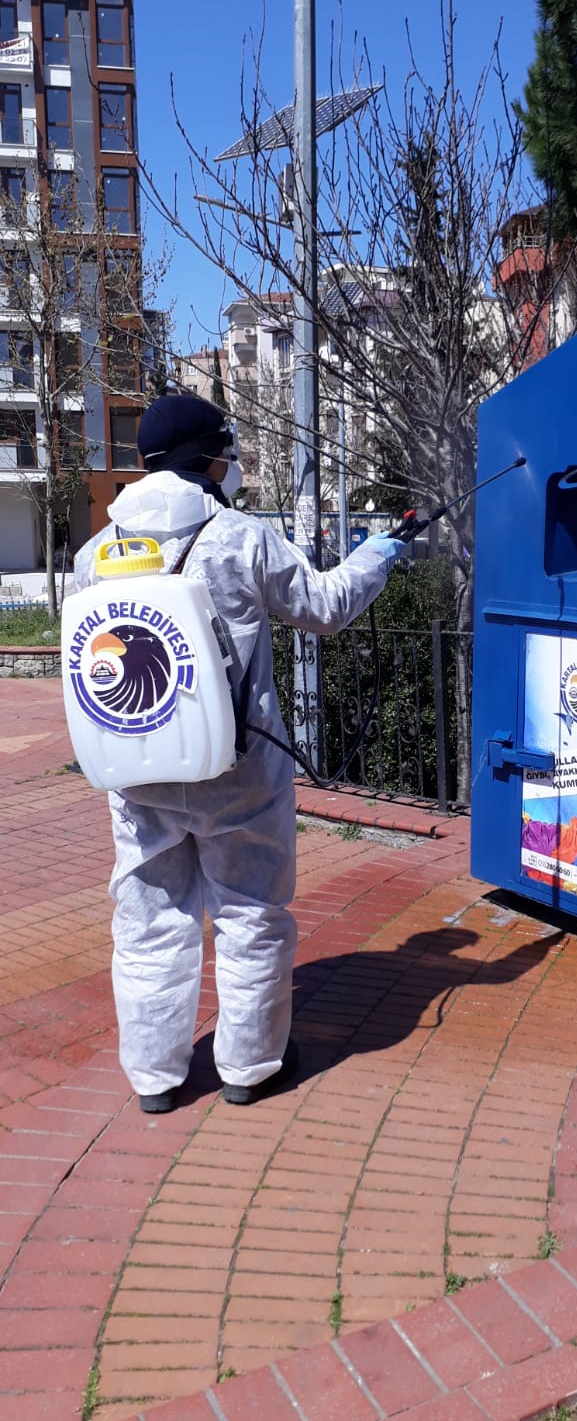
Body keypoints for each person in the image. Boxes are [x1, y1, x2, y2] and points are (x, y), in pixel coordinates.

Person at [72, 393, 406, 1114]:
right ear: (207, 458)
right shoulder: (241, 538)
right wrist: (378, 555)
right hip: (239, 770)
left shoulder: (95, 555)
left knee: (147, 920)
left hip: (138, 769)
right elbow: (325, 608)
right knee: (250, 912)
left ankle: (154, 1079)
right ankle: (250, 1067)